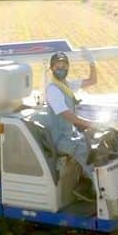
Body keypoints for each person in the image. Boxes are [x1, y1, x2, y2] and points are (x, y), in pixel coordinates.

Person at [45, 49, 99, 197]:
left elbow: (93, 81)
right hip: (60, 138)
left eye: (64, 66)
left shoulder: (67, 86)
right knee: (87, 155)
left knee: (93, 144)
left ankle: (86, 184)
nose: (61, 69)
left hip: (70, 133)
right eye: (57, 66)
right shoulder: (53, 90)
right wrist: (89, 123)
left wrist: (92, 62)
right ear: (52, 68)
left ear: (68, 67)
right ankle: (100, 193)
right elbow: (66, 114)